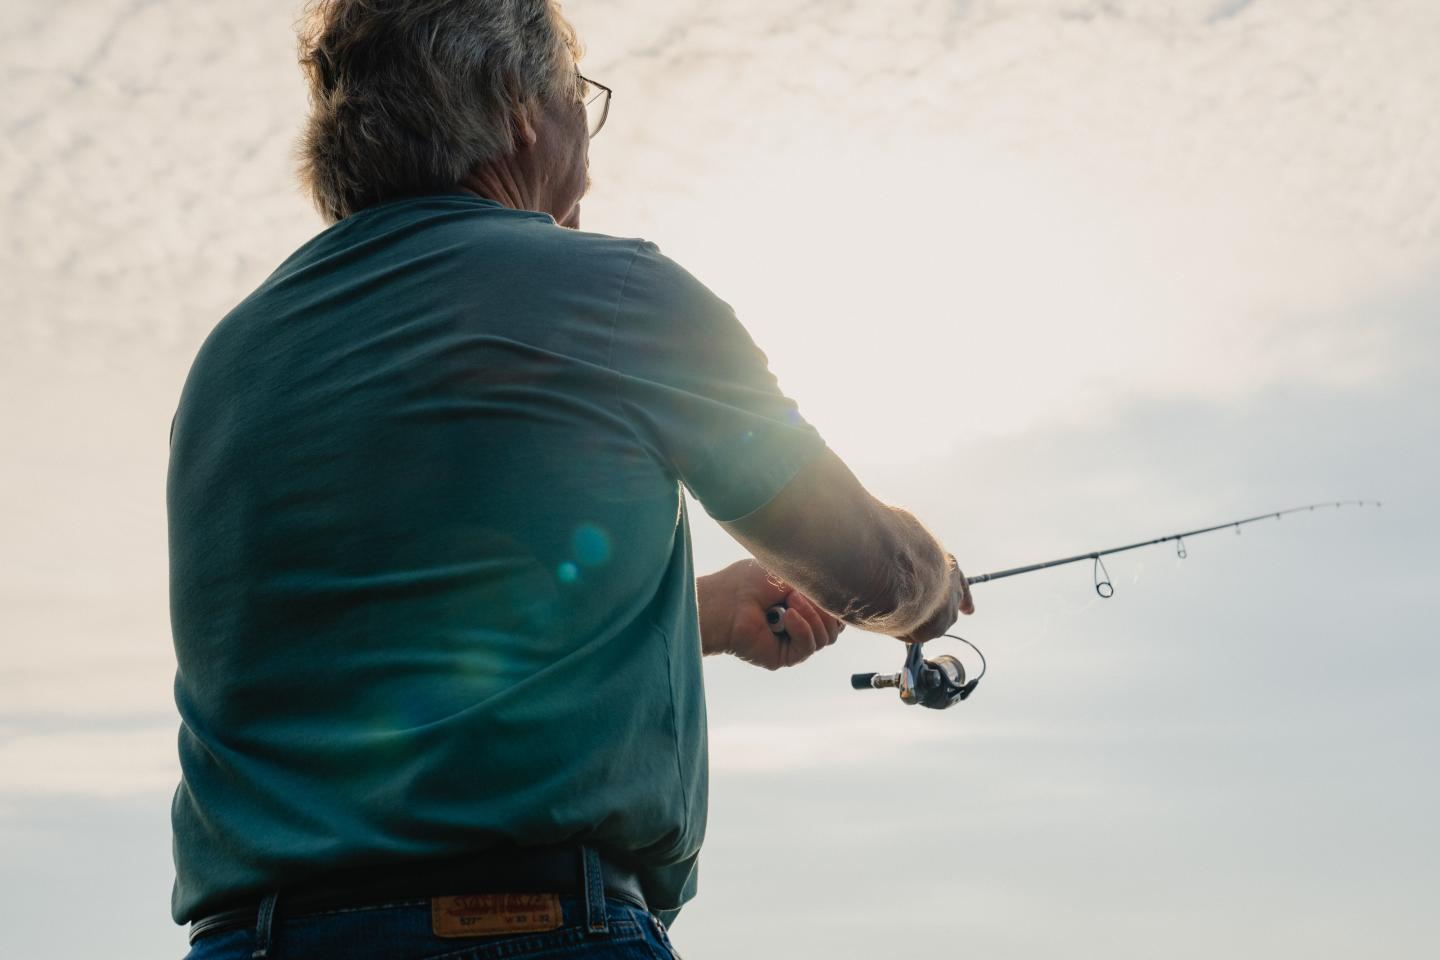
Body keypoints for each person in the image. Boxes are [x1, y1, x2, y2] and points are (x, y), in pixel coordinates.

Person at [166, 2, 973, 958]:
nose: (587, 140)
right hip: (527, 927)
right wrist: (926, 591)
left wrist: (706, 614)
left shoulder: (230, 360)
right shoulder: (617, 292)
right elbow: (865, 565)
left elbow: (408, 622)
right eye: (579, 102)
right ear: (517, 107)